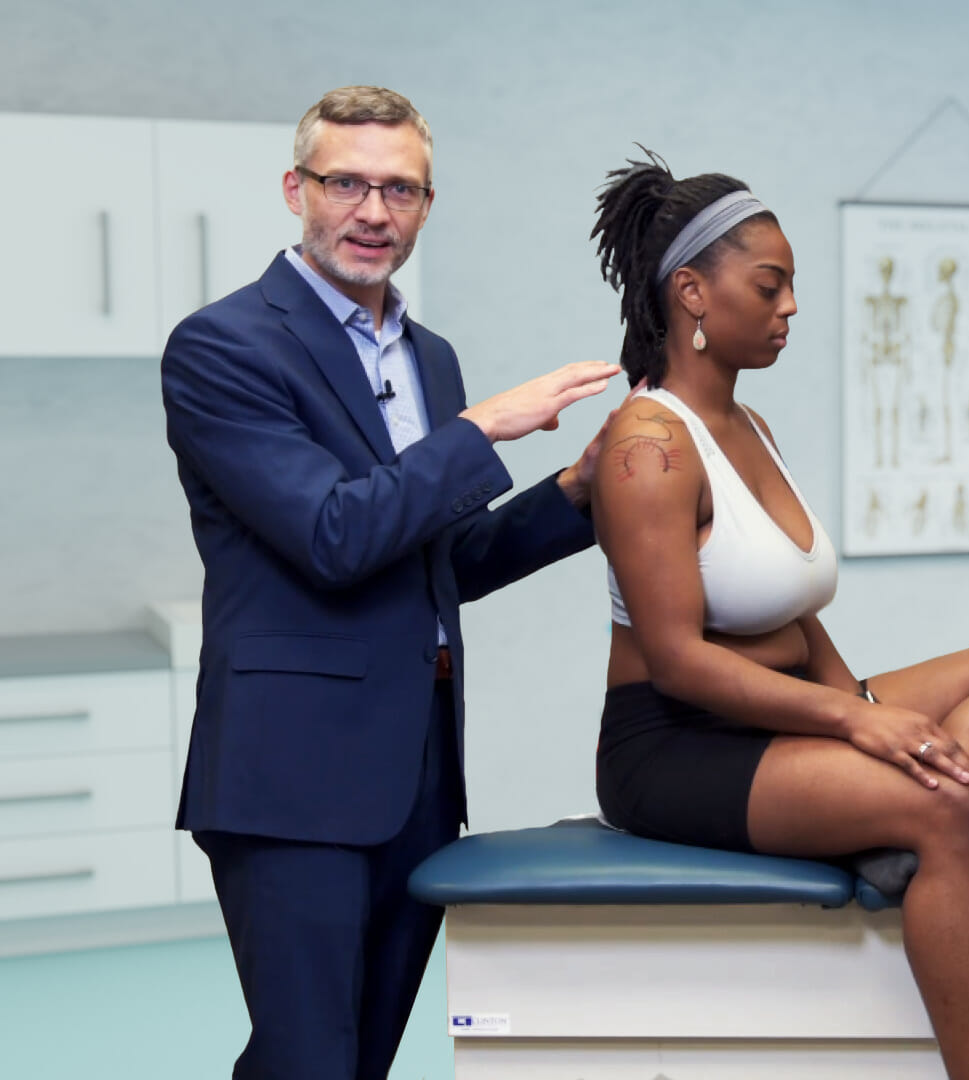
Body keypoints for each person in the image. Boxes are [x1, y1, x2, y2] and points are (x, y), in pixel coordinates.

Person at [160, 86, 619, 1080]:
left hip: (416, 772)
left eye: (400, 190)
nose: (373, 211)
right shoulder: (223, 345)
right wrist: (483, 429)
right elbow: (332, 535)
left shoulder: (429, 359)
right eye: (347, 184)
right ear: (296, 190)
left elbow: (438, 563)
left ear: (426, 205)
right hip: (290, 777)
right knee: (308, 1061)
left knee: (359, 1060)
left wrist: (576, 494)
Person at [589, 153, 969, 1080]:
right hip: (678, 746)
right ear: (692, 293)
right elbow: (679, 659)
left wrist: (863, 712)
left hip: (785, 713)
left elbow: (797, 611)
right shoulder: (646, 447)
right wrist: (856, 724)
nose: (791, 307)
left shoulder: (751, 428)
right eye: (770, 286)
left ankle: (873, 825)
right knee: (948, 808)